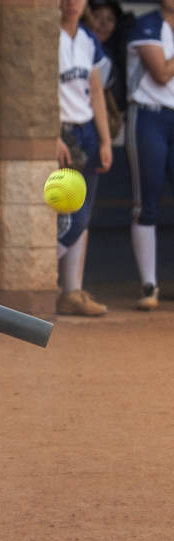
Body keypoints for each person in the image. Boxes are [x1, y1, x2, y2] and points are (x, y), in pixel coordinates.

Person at [55, 0, 112, 316]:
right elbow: (41, 91)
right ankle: (40, 279)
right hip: (64, 135)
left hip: (86, 131)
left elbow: (97, 91)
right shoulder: (50, 36)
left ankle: (72, 291)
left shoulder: (87, 39)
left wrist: (105, 139)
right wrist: (53, 135)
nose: (71, 3)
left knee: (84, 216)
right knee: (71, 217)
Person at [125, 0, 174, 310]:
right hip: (148, 117)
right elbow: (162, 73)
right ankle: (149, 286)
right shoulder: (147, 24)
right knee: (147, 202)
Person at [88, 0, 132, 140]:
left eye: (110, 19)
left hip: (99, 131)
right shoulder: (76, 45)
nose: (103, 24)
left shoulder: (114, 54)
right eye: (97, 17)